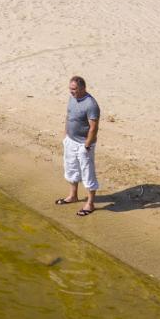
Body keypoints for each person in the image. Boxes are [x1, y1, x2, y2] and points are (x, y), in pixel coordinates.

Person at [56, 75, 101, 217]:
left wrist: (87, 145)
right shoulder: (72, 98)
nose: (71, 91)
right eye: (70, 88)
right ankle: (73, 195)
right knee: (71, 168)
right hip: (70, 141)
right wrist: (66, 135)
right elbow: (68, 116)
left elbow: (94, 127)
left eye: (74, 89)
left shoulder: (91, 104)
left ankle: (90, 203)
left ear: (82, 88)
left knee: (88, 173)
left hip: (83, 144)